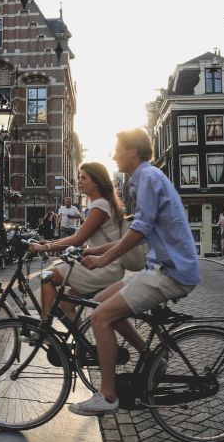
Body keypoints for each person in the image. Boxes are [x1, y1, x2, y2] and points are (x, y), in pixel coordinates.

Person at [74, 127, 200, 416]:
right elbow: (140, 228)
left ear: (132, 151)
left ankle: (107, 396)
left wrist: (105, 260)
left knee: (100, 316)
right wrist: (96, 251)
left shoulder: (146, 177)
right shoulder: (143, 178)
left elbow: (140, 230)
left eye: (118, 149)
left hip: (172, 272)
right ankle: (152, 356)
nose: (114, 155)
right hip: (162, 267)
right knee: (101, 301)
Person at [29, 163, 125, 321]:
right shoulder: (104, 203)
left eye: (84, 178)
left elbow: (77, 239)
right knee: (66, 308)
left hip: (102, 266)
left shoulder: (100, 205)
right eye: (79, 177)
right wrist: (52, 241)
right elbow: (80, 237)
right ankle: (82, 346)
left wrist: (43, 247)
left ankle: (44, 328)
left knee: (47, 276)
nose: (79, 181)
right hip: (108, 265)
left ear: (96, 181)